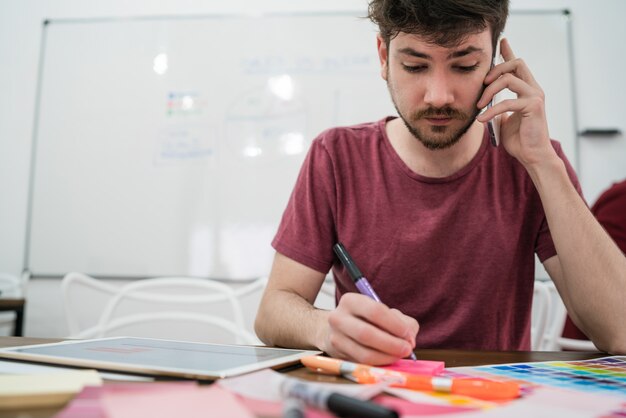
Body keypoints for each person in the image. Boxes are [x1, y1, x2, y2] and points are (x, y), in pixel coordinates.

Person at [255, 0, 626, 364]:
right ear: (384, 57)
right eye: (415, 66)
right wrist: (324, 328)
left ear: (495, 65)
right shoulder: (336, 156)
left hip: (491, 401)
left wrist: (544, 163)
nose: (438, 96)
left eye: (464, 66)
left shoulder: (535, 162)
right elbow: (273, 311)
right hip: (374, 395)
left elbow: (620, 330)